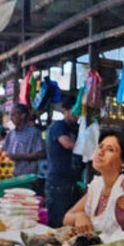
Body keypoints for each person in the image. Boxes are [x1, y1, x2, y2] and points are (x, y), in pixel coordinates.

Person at [45, 93, 80, 228]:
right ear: (64, 111)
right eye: (74, 111)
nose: (76, 115)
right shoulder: (58, 126)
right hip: (57, 183)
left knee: (69, 224)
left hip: (72, 183)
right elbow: (67, 144)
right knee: (57, 222)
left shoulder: (76, 128)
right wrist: (88, 148)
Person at [1, 104, 45, 176]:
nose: (11, 118)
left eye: (13, 115)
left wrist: (18, 156)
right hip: (11, 175)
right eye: (10, 115)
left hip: (27, 176)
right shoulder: (10, 134)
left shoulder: (33, 133)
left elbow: (40, 154)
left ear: (22, 116)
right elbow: (4, 152)